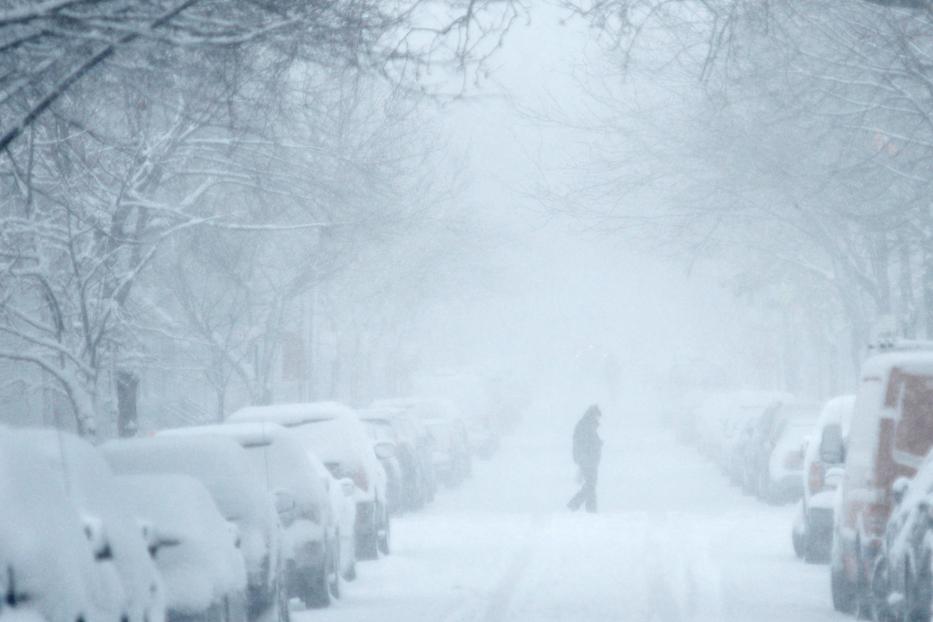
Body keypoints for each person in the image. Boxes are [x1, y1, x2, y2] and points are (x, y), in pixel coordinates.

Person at [567, 404, 603, 513]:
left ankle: (590, 509)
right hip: (588, 460)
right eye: (597, 416)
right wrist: (596, 445)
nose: (598, 419)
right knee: (591, 484)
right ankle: (576, 505)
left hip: (589, 460)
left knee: (591, 484)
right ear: (593, 414)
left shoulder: (586, 425)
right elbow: (584, 444)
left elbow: (588, 442)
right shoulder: (585, 426)